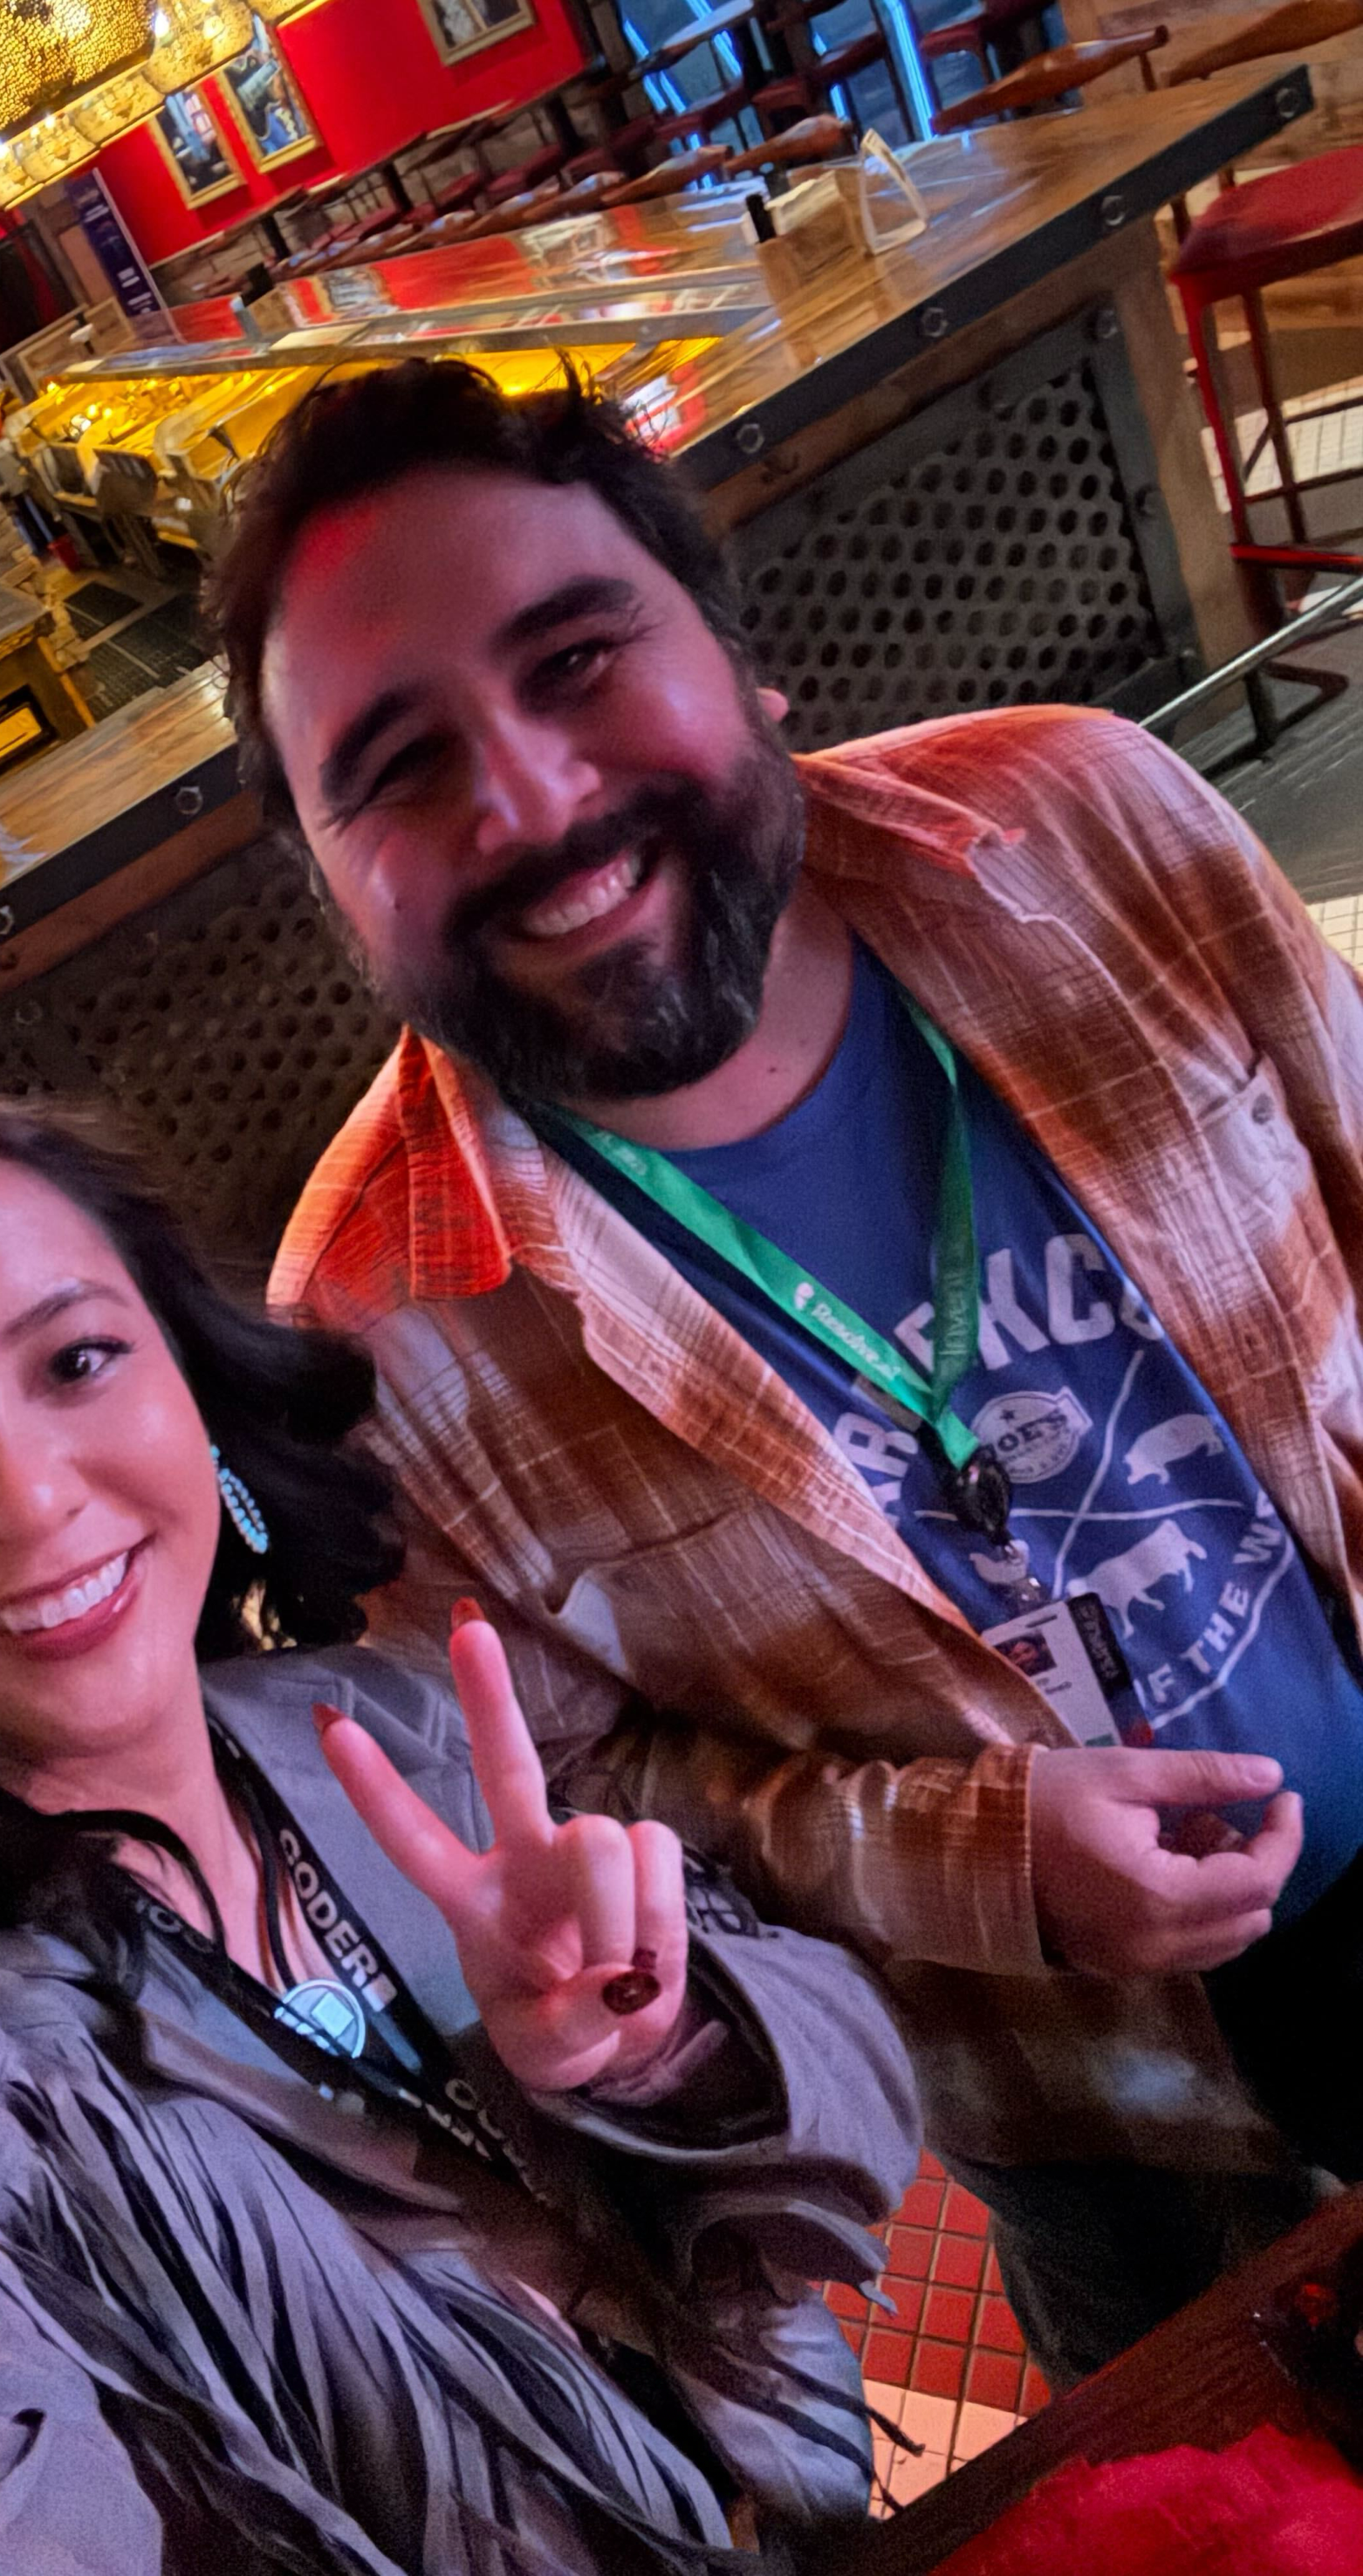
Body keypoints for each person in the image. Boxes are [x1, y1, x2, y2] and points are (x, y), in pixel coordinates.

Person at [210, 355, 1363, 2388]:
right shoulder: (375, 1338)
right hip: (1127, 2134)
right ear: (319, 873)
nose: (532, 801)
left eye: (576, 658)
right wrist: (974, 1850)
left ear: (737, 659)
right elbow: (583, 1801)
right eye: (394, 764)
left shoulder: (1087, 826)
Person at [0, 1067, 919, 2574]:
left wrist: (646, 2050)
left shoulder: (386, 1727)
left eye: (72, 1361)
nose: (28, 1499)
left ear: (189, 1383)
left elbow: (844, 2159)